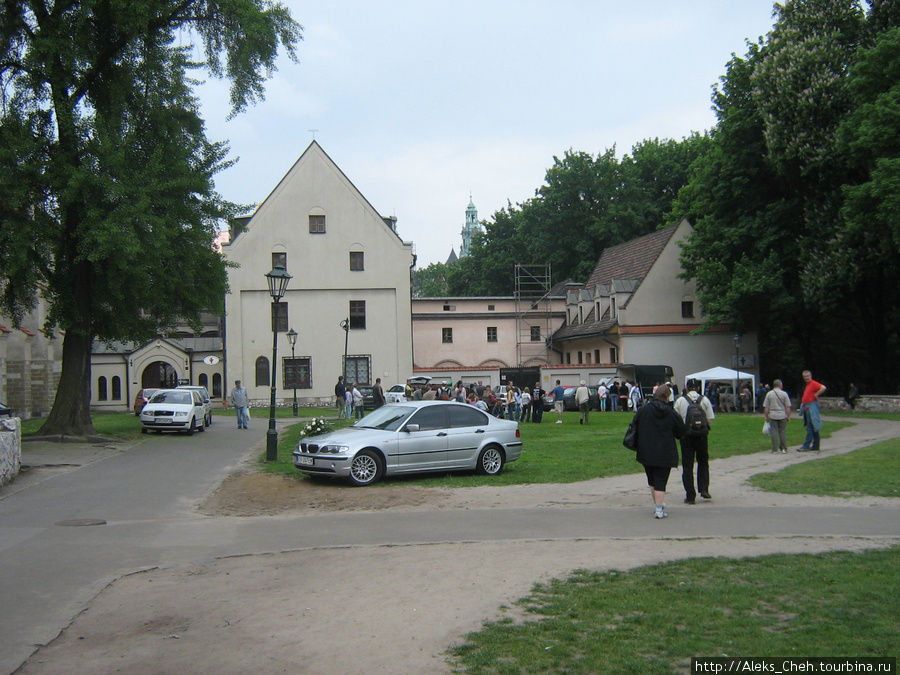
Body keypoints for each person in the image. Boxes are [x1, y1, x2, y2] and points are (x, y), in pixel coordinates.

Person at [633, 384, 686, 519]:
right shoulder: (671, 413)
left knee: (652, 480)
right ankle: (659, 509)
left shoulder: (644, 410)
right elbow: (681, 432)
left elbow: (635, 425)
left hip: (646, 449)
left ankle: (658, 505)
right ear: (668, 397)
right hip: (665, 451)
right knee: (661, 481)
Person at [673, 379, 715, 504]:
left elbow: (676, 418)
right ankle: (704, 489)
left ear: (686, 388)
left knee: (687, 465)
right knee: (703, 462)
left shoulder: (681, 400)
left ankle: (690, 495)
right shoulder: (705, 400)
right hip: (701, 436)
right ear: (697, 388)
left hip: (686, 436)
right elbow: (710, 420)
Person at [798, 370, 826, 451]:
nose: (806, 378)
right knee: (814, 427)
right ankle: (816, 445)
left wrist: (817, 394)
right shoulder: (807, 385)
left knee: (810, 427)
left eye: (807, 376)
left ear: (810, 376)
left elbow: (823, 387)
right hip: (807, 407)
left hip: (811, 408)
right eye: (804, 376)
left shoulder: (813, 383)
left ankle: (806, 446)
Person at [763, 379, 791, 454]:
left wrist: (766, 416)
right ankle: (784, 449)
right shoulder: (784, 394)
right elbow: (787, 406)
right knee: (782, 431)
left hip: (773, 415)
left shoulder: (769, 394)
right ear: (780, 385)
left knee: (774, 432)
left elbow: (766, 407)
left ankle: (775, 449)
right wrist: (788, 416)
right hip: (782, 414)